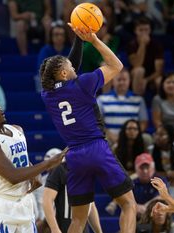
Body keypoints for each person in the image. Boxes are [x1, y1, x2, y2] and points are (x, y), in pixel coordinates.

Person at [40, 25, 136, 233]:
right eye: (72, 69)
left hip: (74, 157)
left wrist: (77, 39)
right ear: (65, 73)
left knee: (78, 220)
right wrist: (93, 40)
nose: (77, 69)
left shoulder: (47, 95)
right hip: (97, 149)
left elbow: (69, 65)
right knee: (129, 205)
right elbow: (117, 65)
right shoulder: (84, 83)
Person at [0, 96, 66, 233]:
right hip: (0, 205)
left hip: (24, 201)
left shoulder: (17, 130)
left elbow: (22, 159)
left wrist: (35, 174)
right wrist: (49, 163)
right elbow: (13, 176)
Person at [43, 161, 103, 233]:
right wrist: (54, 228)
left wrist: (99, 231)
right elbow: (47, 200)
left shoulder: (87, 171)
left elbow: (91, 205)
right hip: (63, 228)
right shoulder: (60, 169)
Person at [97, 69, 149, 146]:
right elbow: (97, 122)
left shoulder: (139, 100)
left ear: (129, 81)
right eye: (119, 80)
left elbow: (143, 123)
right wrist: (109, 135)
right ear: (113, 81)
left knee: (147, 139)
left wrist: (131, 135)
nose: (121, 82)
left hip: (132, 136)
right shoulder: (101, 99)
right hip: (109, 137)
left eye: (124, 80)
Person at [127, 16, 164, 96]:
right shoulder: (131, 45)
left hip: (152, 76)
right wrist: (142, 45)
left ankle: (159, 104)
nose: (144, 33)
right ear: (135, 31)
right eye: (141, 30)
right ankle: (137, 100)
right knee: (139, 70)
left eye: (146, 30)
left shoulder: (157, 45)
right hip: (135, 75)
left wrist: (146, 80)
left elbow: (158, 71)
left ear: (150, 30)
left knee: (159, 80)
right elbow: (137, 65)